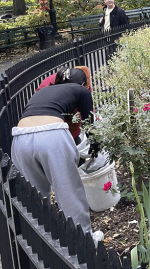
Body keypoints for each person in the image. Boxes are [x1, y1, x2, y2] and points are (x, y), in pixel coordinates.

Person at [11, 76, 104, 242]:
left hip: (20, 138)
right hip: (51, 135)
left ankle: (42, 242)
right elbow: (90, 126)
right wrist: (95, 152)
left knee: (35, 195)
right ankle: (84, 242)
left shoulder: (45, 91)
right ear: (83, 84)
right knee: (68, 191)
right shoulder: (81, 91)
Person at [35, 66, 92, 146]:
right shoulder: (47, 86)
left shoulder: (80, 84)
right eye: (85, 87)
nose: (86, 89)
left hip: (71, 125)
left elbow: (86, 109)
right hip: (49, 128)